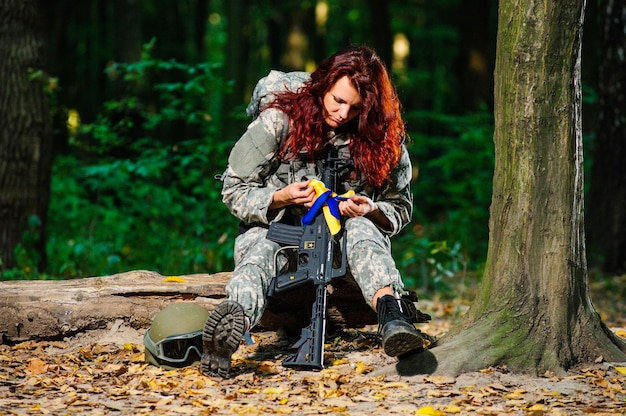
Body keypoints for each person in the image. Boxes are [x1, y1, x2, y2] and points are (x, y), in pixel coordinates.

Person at [202, 46, 429, 378]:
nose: (342, 113)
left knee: (364, 228)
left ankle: (392, 317)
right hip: (278, 227)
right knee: (260, 252)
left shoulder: (383, 137)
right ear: (324, 83)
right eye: (337, 100)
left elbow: (399, 208)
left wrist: (370, 209)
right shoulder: (280, 120)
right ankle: (232, 327)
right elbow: (233, 189)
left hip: (344, 241)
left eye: (354, 109)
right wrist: (281, 197)